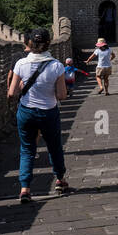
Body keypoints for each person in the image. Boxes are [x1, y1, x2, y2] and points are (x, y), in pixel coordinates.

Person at [8, 28, 69, 202]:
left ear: (29, 44)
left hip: (26, 112)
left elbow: (12, 93)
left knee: (27, 149)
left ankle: (25, 188)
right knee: (54, 146)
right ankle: (60, 180)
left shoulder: (21, 64)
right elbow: (62, 96)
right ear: (48, 43)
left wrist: (23, 87)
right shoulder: (56, 66)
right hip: (48, 112)